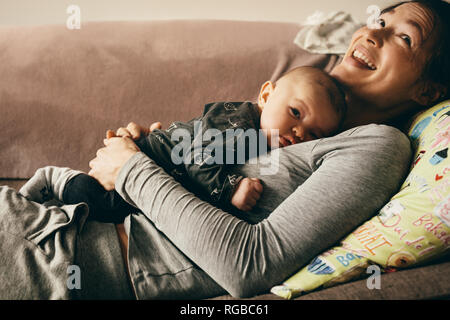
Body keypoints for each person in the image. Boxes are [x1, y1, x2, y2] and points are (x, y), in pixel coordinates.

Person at [0, 0, 449, 300]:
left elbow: (248, 264)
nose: (374, 34)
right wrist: (156, 150)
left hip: (60, 258)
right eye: (380, 22)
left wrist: (133, 170)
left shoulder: (376, 146)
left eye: (404, 38)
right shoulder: (283, 107)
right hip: (43, 216)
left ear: (428, 91)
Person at [19, 66, 346, 220]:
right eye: (295, 112)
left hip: (154, 171)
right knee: (96, 205)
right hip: (147, 160)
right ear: (266, 94)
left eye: (314, 134)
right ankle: (57, 180)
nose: (300, 133)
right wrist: (232, 188)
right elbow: (199, 157)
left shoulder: (259, 138)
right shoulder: (241, 125)